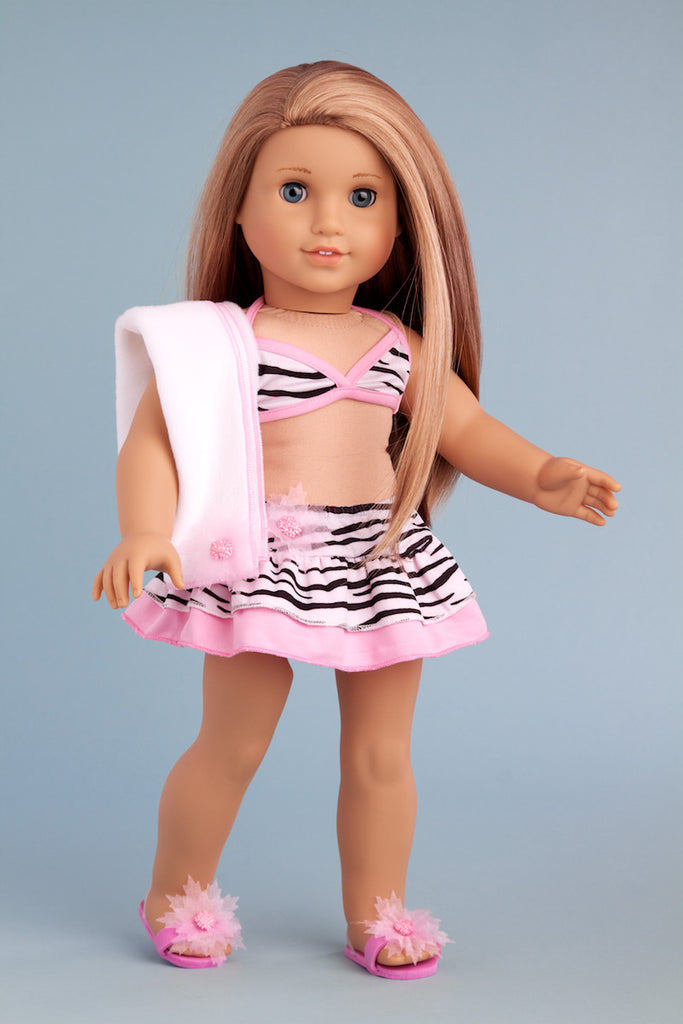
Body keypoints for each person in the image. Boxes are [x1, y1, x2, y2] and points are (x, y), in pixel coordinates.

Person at [93, 61, 620, 979]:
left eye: (362, 197)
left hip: (377, 556)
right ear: (238, 211)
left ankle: (379, 909)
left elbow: (467, 430)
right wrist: (146, 529)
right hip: (261, 555)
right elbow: (152, 444)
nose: (327, 223)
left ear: (399, 226)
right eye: (294, 191)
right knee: (234, 742)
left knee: (380, 753)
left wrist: (542, 475)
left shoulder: (396, 346)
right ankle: (176, 892)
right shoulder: (221, 344)